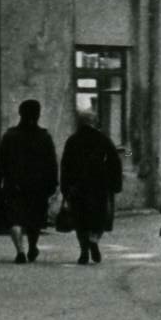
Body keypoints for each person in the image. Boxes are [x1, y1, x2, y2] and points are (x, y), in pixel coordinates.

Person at [0, 99, 59, 264]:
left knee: (14, 218)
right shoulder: (44, 137)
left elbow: (0, 161)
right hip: (38, 186)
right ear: (38, 115)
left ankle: (19, 250)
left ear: (20, 114)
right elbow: (52, 163)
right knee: (35, 218)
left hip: (13, 184)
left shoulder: (10, 136)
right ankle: (32, 246)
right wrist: (52, 184)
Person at [59, 107, 122, 265]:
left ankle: (83, 251)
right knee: (99, 218)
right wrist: (115, 182)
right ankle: (94, 240)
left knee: (80, 220)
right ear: (94, 122)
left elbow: (65, 164)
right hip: (99, 186)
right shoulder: (102, 138)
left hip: (77, 186)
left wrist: (65, 186)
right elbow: (115, 159)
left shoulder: (72, 140)